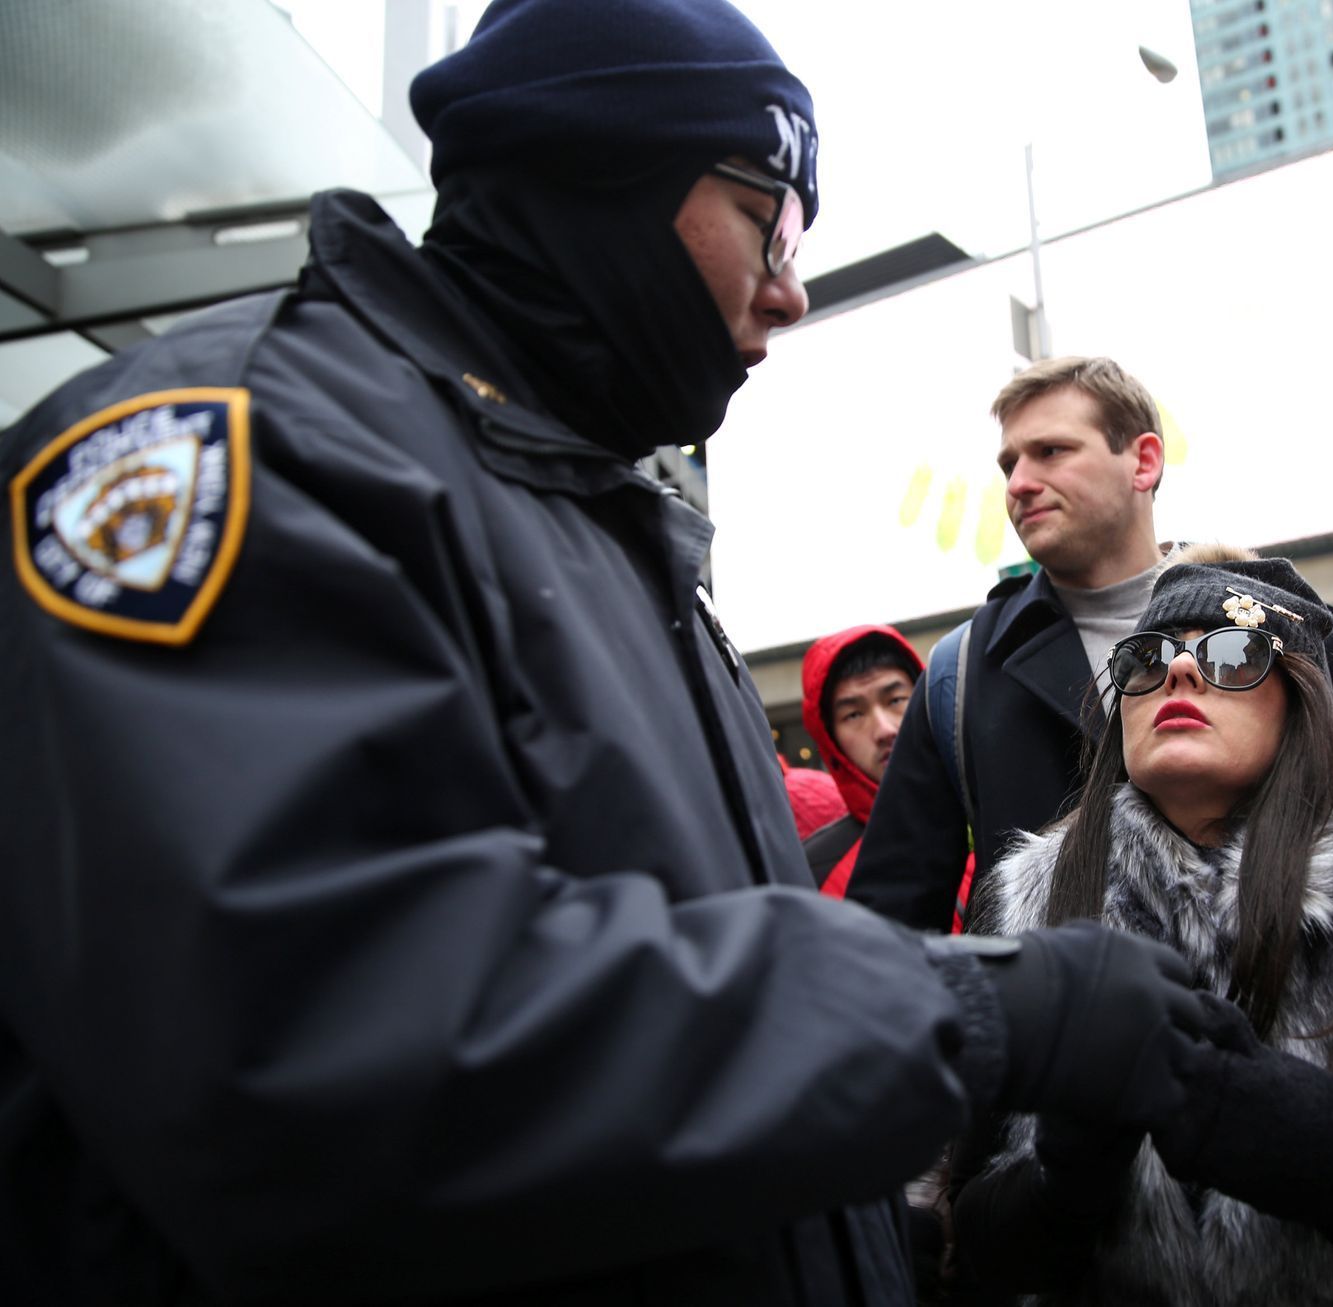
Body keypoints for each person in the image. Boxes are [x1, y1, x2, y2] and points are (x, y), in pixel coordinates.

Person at [0, 3, 1213, 1303]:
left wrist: (868, 1244)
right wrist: (979, 1012)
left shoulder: (612, 525)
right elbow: (323, 1053)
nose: (791, 290)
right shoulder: (245, 449)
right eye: (773, 220)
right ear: (603, 165)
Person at [951, 549, 1333, 1304]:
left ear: (1300, 701)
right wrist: (1068, 1173)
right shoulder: (1021, 902)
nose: (1179, 674)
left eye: (1233, 652)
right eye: (1146, 657)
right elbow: (973, 1253)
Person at [848, 356, 1172, 931]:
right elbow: (890, 927)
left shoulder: (1259, 624)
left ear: (1143, 462)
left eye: (1051, 451)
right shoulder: (960, 672)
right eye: (1009, 464)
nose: (1019, 483)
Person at [801, 624, 923, 894]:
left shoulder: (990, 805)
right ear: (831, 739)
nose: (884, 730)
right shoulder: (818, 876)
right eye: (853, 715)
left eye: (896, 700)